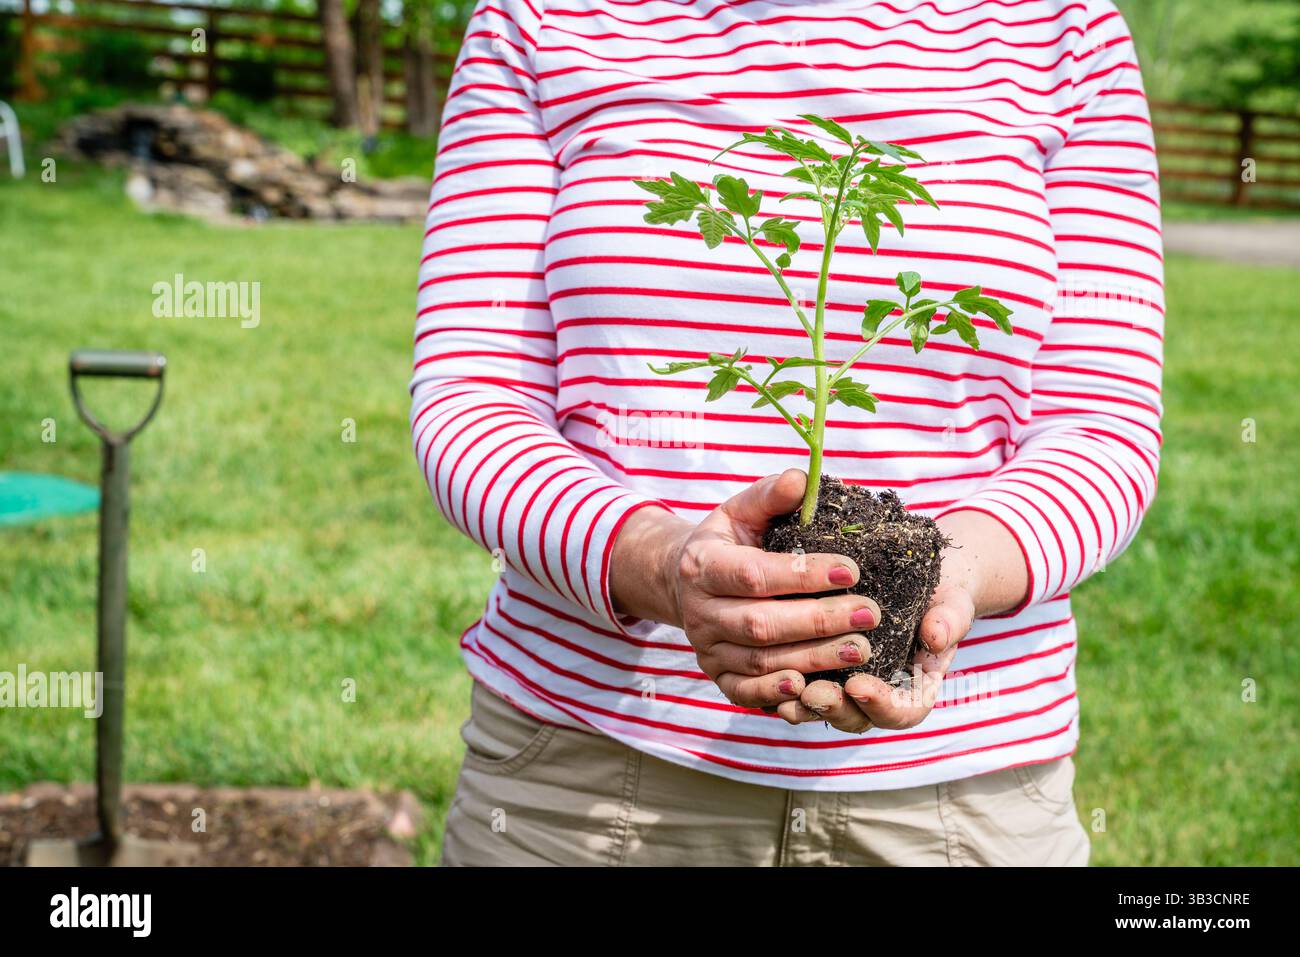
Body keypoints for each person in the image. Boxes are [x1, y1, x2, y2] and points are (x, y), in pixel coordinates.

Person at [411, 0, 1163, 866]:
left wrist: (949, 579)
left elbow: (1102, 429)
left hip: (963, 799)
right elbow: (471, 396)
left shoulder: (1063, 31)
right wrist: (657, 561)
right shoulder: (542, 18)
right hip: (588, 782)